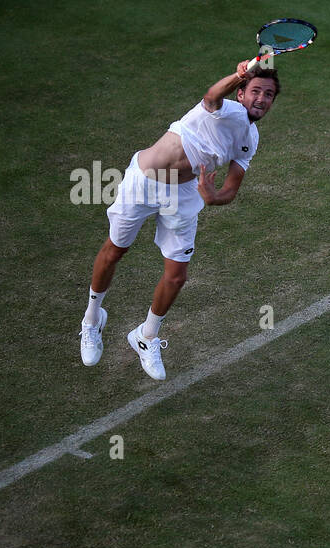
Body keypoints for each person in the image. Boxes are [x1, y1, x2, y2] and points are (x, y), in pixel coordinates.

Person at [79, 61, 279, 380]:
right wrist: (241, 73)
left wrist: (213, 197)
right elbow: (212, 94)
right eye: (255, 91)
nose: (262, 99)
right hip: (143, 183)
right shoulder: (220, 109)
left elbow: (231, 189)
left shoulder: (250, 140)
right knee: (115, 251)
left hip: (185, 195)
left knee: (177, 277)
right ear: (241, 94)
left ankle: (146, 336)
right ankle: (91, 319)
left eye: (269, 95)